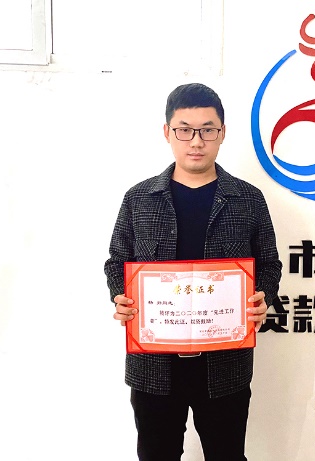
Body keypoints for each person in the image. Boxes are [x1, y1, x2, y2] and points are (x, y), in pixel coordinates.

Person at [104, 82, 282, 461]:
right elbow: (117, 261)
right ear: (167, 132)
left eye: (207, 130)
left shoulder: (248, 199)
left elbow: (269, 263)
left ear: (222, 133)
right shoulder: (139, 198)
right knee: (156, 455)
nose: (196, 141)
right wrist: (121, 295)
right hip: (154, 363)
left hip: (225, 363)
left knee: (227, 455)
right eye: (184, 130)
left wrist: (262, 297)